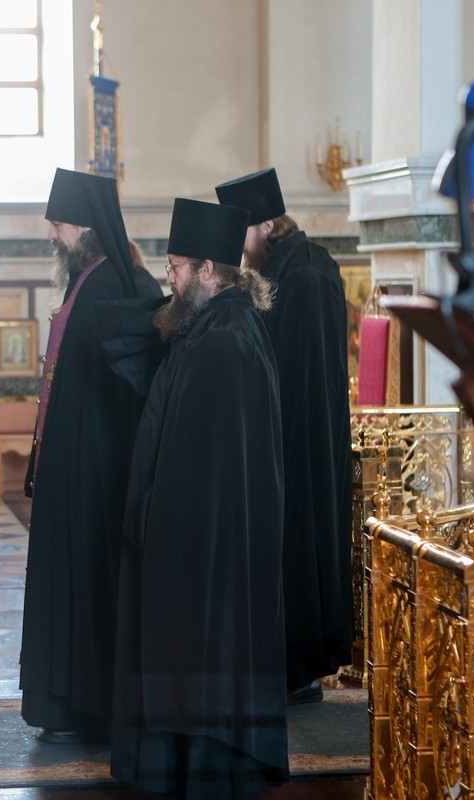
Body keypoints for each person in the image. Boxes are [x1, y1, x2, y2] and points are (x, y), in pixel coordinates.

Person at [111, 198, 288, 799]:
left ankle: (206, 769)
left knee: (205, 652)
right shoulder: (214, 327)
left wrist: (160, 524)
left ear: (208, 270)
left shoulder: (226, 340)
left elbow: (206, 465)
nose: (170, 278)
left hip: (207, 546)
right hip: (201, 538)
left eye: (176, 267)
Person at [20, 167, 162, 745]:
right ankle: (64, 702)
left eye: (59, 224)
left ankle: (88, 704)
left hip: (99, 472)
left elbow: (138, 382)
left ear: (86, 225)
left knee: (90, 583)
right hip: (69, 465)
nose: (52, 234)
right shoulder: (88, 280)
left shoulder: (123, 284)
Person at [216, 167, 353, 704]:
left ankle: (299, 669)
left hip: (300, 444)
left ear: (268, 225)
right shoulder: (291, 268)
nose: (240, 245)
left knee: (299, 549)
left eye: (244, 232)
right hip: (288, 437)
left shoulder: (306, 277)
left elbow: (295, 375)